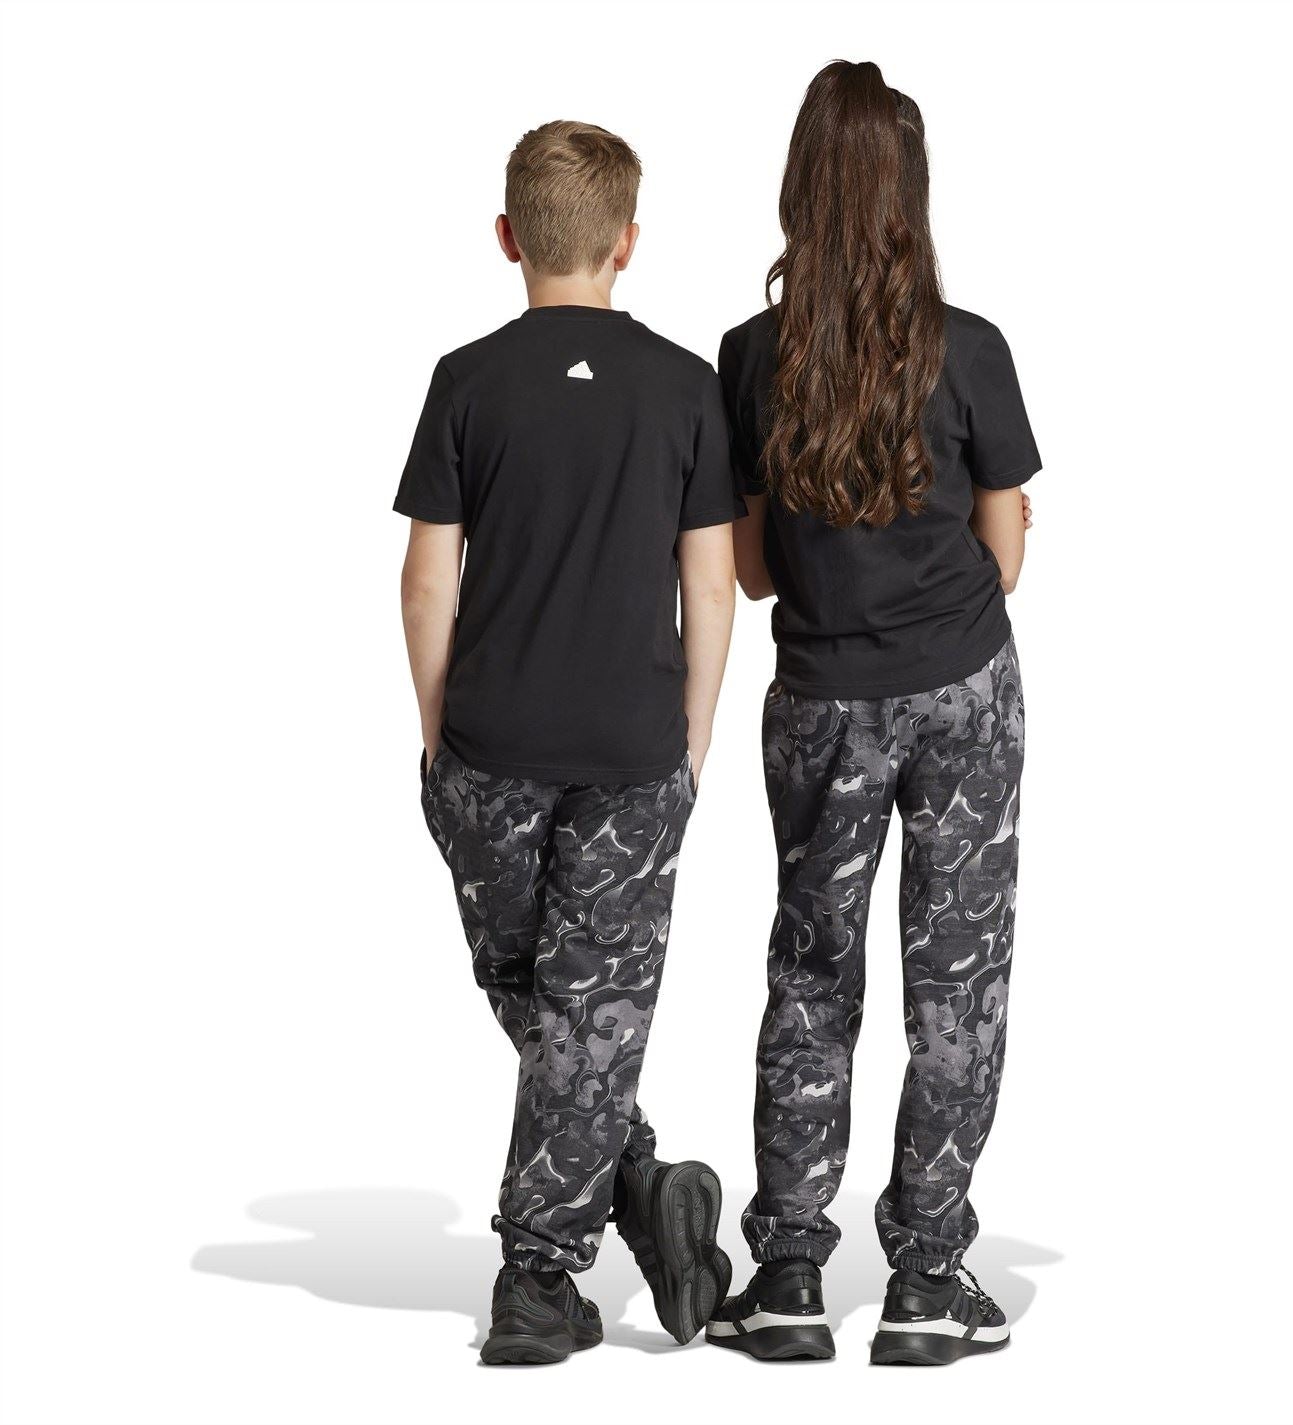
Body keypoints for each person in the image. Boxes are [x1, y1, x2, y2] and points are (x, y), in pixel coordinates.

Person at [708, 62, 1040, 1367]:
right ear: (911, 192)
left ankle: (789, 1272)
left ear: (802, 187)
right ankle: (927, 1282)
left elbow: (749, 571)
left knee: (811, 972)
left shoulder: (750, 359)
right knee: (956, 984)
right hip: (962, 695)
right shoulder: (972, 350)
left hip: (820, 703)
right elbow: (1004, 556)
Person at [395, 120, 738, 1366]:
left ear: (508, 238)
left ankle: (537, 1277)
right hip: (634, 747)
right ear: (627, 243)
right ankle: (637, 1190)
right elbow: (713, 585)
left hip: (489, 743)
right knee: (576, 1006)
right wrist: (694, 742)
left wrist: (438, 736)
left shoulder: (466, 380)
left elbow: (426, 581)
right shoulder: (686, 386)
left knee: (548, 997)